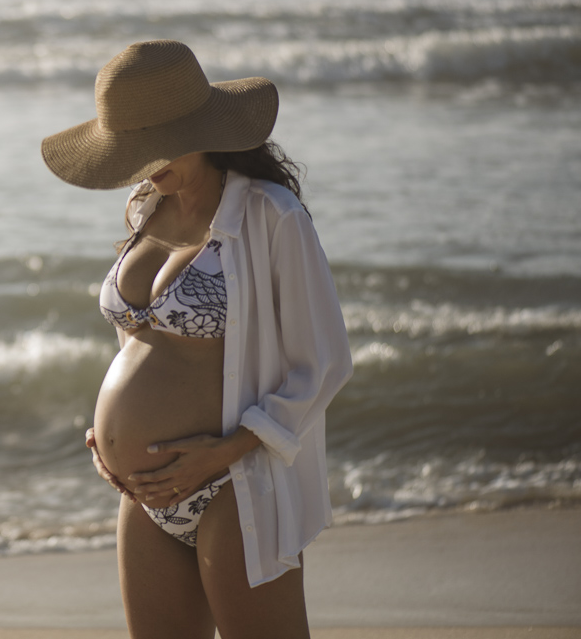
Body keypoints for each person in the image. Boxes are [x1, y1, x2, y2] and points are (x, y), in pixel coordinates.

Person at [40, 40, 352, 639]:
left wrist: (227, 449)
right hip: (147, 493)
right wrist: (111, 436)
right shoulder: (146, 210)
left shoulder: (270, 215)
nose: (145, 161)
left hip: (234, 481)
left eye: (157, 143)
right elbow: (144, 344)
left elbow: (326, 361)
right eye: (132, 148)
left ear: (202, 129)